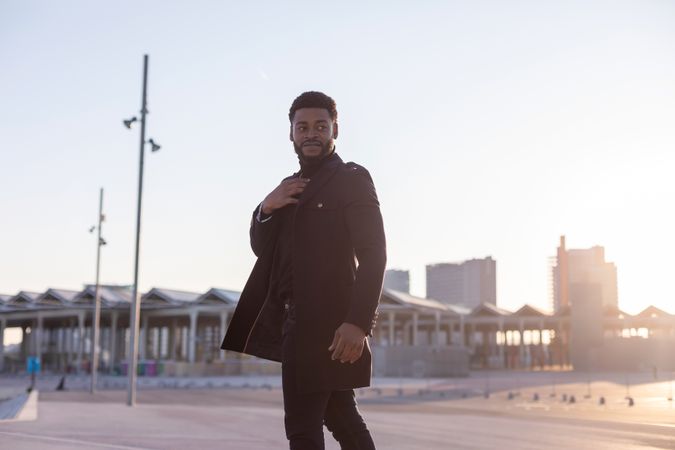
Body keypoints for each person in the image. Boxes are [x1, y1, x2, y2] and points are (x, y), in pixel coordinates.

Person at [221, 91, 386, 449]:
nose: (311, 133)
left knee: (302, 428)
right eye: (303, 127)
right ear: (292, 134)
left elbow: (374, 254)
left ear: (335, 130)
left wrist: (358, 322)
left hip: (330, 324)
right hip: (295, 321)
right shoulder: (288, 187)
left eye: (320, 126)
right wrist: (266, 207)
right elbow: (263, 251)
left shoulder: (352, 178)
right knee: (341, 418)